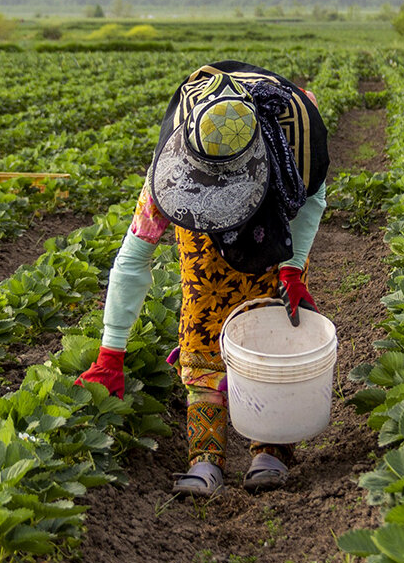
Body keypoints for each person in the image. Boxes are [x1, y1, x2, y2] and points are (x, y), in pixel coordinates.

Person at [76, 61, 329, 497]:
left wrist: (293, 267)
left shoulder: (291, 155)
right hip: (205, 274)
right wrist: (110, 351)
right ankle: (205, 460)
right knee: (200, 337)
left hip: (273, 253)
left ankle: (271, 450)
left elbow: (313, 200)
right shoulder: (168, 181)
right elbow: (133, 259)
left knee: (273, 336)